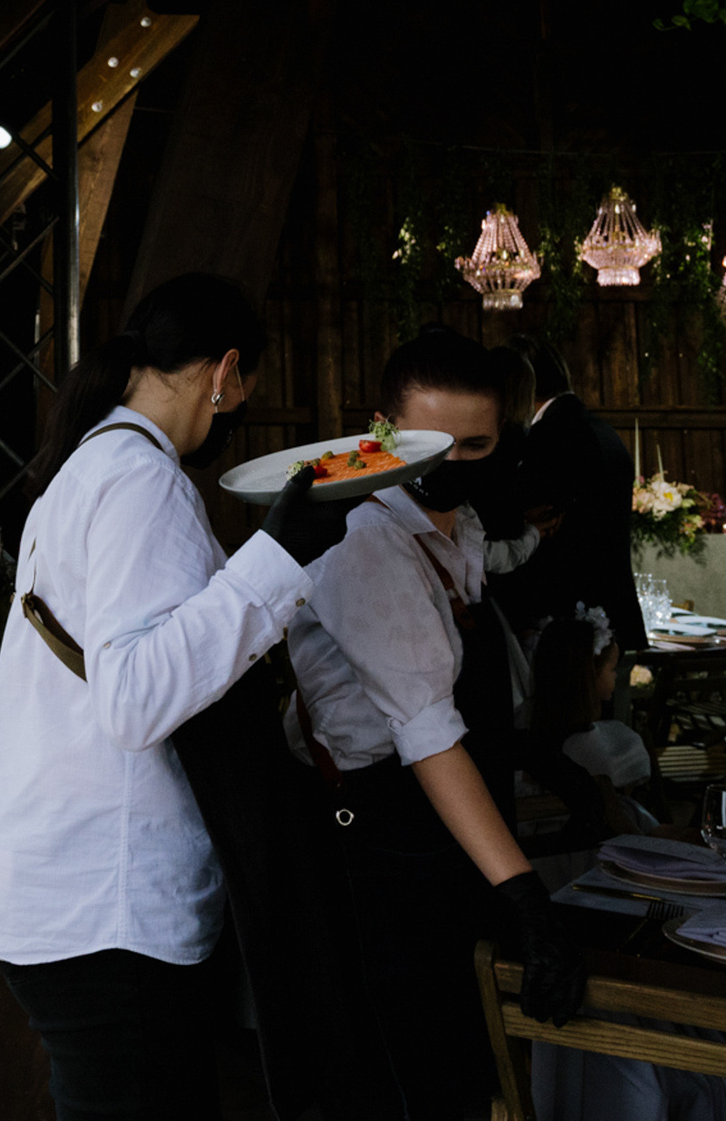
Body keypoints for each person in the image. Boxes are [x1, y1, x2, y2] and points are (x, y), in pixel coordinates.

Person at [0, 273, 356, 1121]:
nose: (235, 413)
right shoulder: (143, 480)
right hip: (106, 909)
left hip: (64, 895)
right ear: (223, 373)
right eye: (241, 393)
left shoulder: (88, 470)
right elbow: (136, 698)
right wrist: (277, 559)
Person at [285, 326, 586, 1119]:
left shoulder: (461, 523)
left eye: (476, 445)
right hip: (380, 829)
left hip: (446, 821)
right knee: (413, 1068)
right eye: (430, 444)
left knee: (465, 1054)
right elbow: (424, 731)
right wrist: (526, 895)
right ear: (382, 432)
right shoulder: (365, 535)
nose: (451, 464)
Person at [486, 334, 647, 652]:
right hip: (612, 606)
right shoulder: (602, 429)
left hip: (566, 619)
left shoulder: (549, 437)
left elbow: (537, 525)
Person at [526, 604, 670, 840]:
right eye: (612, 669)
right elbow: (617, 821)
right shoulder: (583, 747)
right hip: (579, 847)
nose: (615, 676)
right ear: (588, 674)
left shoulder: (532, 720)